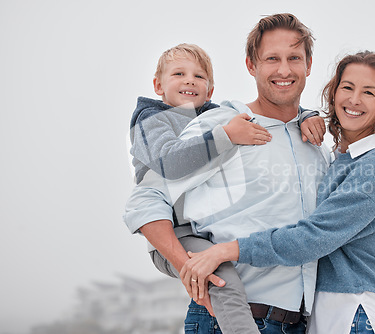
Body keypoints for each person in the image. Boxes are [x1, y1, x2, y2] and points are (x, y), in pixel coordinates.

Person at [124, 14, 375, 334]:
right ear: (251, 65)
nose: (284, 70)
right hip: (228, 318)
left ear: (309, 65)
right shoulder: (225, 125)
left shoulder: (315, 144)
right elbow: (146, 199)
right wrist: (188, 267)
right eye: (272, 58)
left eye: (294, 58)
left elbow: (328, 224)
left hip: (302, 323)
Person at [125, 42, 326, 334]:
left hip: (204, 238)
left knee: (219, 273)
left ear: (210, 91)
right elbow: (167, 165)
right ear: (158, 85)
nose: (189, 80)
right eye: (178, 74)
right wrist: (227, 136)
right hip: (175, 234)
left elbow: (278, 111)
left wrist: (306, 115)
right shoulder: (151, 120)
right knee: (221, 279)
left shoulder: (213, 116)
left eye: (199, 76)